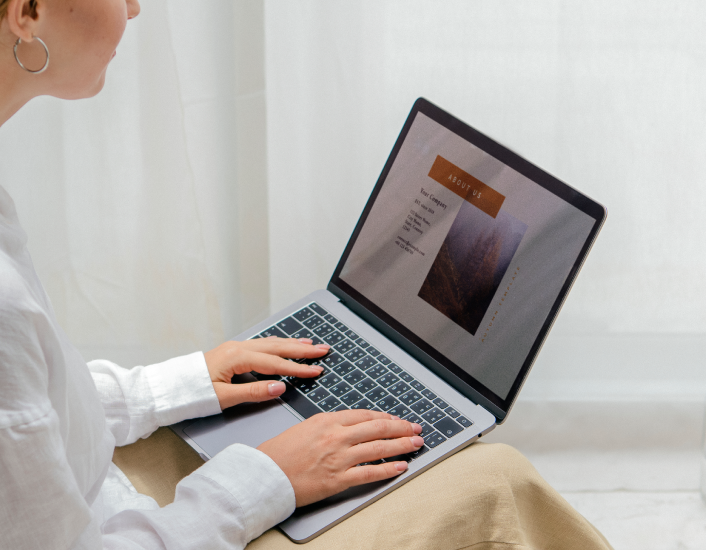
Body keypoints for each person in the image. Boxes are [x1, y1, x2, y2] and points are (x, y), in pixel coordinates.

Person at [0, 1, 612, 548]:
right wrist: (269, 477)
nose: (135, 8)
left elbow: (29, 406)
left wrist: (174, 387)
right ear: (27, 13)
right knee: (496, 478)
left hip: (96, 488)